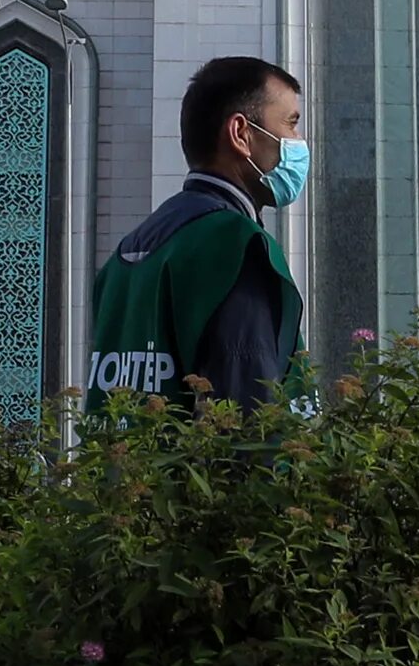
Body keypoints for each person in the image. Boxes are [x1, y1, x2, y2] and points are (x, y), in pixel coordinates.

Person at [86, 55, 308, 409]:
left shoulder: (128, 253)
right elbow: (247, 423)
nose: (298, 141)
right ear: (241, 134)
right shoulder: (234, 245)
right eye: (290, 124)